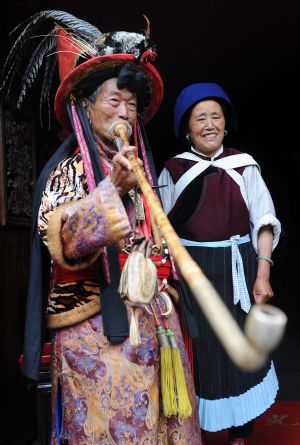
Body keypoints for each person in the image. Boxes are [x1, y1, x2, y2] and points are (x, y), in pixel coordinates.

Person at [1, 12, 202, 444]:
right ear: (85, 105)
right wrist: (110, 188)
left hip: (153, 322)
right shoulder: (67, 171)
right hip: (95, 332)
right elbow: (65, 242)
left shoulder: (141, 168)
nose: (125, 113)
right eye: (114, 101)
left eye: (132, 104)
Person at [158, 82, 281, 445]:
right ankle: (195, 431)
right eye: (200, 118)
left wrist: (263, 274)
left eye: (216, 116)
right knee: (204, 355)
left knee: (242, 352)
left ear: (226, 124)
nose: (209, 124)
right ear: (186, 128)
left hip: (238, 268)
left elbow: (264, 221)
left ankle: (241, 434)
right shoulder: (173, 172)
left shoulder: (244, 167)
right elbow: (160, 231)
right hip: (193, 278)